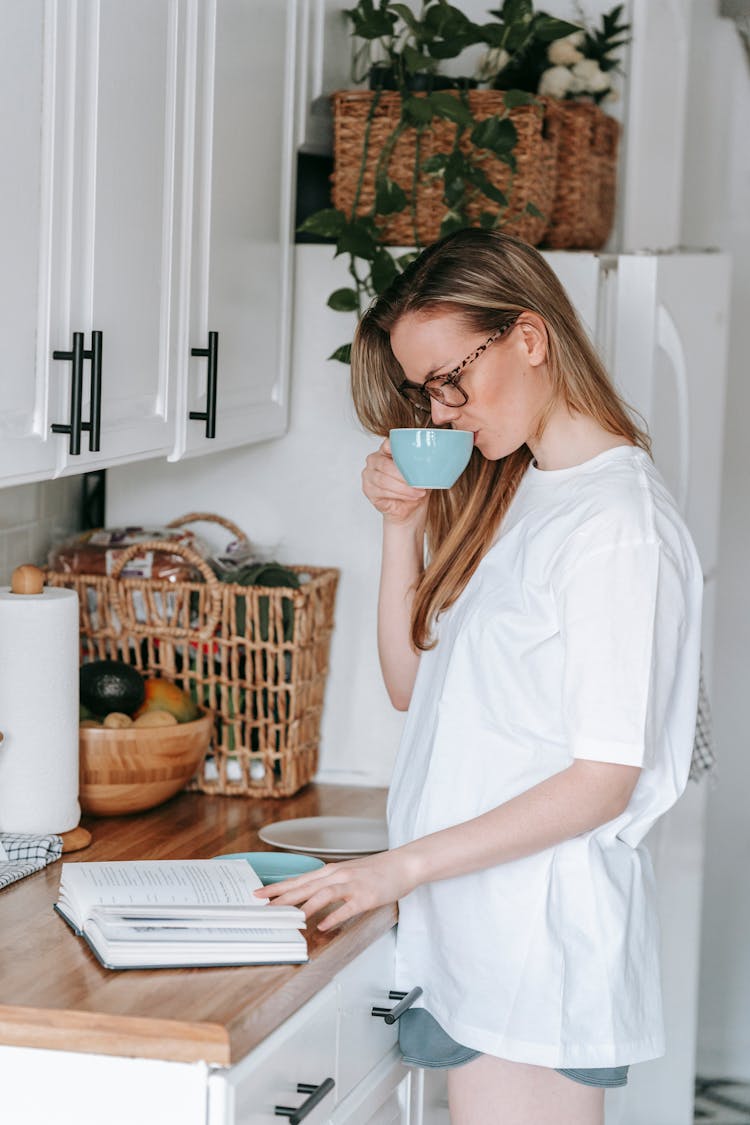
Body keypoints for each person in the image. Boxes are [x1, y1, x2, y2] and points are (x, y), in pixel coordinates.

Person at [259, 228, 703, 1125]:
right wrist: (401, 527)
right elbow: (409, 690)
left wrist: (400, 868)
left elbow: (602, 781)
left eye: (450, 378)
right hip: (479, 929)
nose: (443, 406)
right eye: (430, 388)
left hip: (538, 949)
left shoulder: (616, 524)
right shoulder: (530, 489)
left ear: (529, 337)